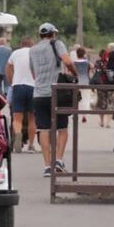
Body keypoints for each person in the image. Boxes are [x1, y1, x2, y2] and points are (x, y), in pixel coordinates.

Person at [29, 23, 77, 177]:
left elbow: (33, 73)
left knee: (44, 129)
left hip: (38, 94)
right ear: (53, 34)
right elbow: (68, 61)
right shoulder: (57, 44)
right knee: (62, 128)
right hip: (57, 94)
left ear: (40, 35)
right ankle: (58, 160)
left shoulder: (33, 49)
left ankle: (47, 166)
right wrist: (75, 74)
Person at [5, 37, 36, 152]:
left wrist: (12, 82)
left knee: (17, 118)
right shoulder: (35, 53)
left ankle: (18, 134)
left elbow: (8, 69)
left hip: (18, 86)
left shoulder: (15, 53)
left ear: (21, 44)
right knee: (32, 118)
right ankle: (31, 145)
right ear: (32, 45)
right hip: (33, 87)